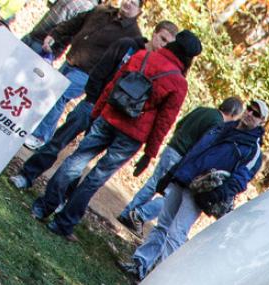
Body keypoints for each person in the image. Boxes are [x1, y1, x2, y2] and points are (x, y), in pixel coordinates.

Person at [33, 29, 199, 239]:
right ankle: (63, 223)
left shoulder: (142, 56)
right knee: (96, 177)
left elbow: (112, 85)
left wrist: (97, 111)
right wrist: (150, 153)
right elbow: (164, 122)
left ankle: (43, 207)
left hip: (109, 117)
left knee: (75, 161)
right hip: (132, 135)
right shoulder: (178, 83)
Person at [11, 21, 175, 191]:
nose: (163, 45)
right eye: (162, 39)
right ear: (154, 33)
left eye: (168, 44)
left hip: (111, 117)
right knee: (59, 140)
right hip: (92, 105)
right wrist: (92, 98)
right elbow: (100, 70)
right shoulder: (128, 46)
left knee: (80, 160)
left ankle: (60, 197)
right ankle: (27, 175)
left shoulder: (157, 67)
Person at [121, 98, 268, 281]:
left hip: (201, 192)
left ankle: (157, 282)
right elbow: (195, 150)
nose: (250, 114)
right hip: (183, 178)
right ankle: (140, 264)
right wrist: (174, 173)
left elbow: (240, 180)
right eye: (249, 109)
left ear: (262, 122)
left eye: (256, 114)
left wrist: (216, 195)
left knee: (176, 234)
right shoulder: (223, 127)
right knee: (163, 225)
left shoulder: (252, 151)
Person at [23, 0, 144, 149]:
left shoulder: (133, 36)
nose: (128, 4)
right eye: (127, 0)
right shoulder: (101, 11)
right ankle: (35, 129)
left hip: (89, 73)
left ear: (139, 11)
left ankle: (40, 136)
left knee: (58, 93)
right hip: (72, 60)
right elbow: (75, 23)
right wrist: (55, 34)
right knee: (49, 92)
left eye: (134, 3)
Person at [118, 96, 243, 231]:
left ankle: (127, 212)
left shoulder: (202, 110)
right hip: (182, 157)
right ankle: (140, 214)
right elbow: (203, 145)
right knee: (171, 196)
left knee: (153, 184)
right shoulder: (218, 124)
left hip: (172, 148)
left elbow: (180, 124)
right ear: (233, 114)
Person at [19, 0, 95, 54]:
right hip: (34, 33)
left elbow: (71, 31)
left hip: (43, 46)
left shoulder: (89, 8)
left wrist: (52, 50)